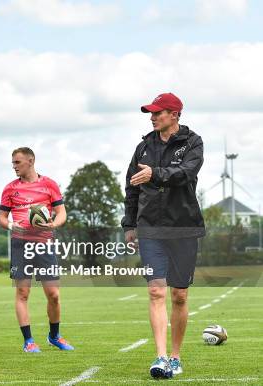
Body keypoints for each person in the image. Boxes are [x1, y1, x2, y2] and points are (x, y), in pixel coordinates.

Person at [122, 92, 205, 379]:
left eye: (158, 112)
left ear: (174, 114)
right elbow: (131, 187)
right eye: (151, 113)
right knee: (156, 290)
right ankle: (159, 357)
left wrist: (155, 174)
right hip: (150, 228)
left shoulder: (193, 142)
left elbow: (185, 173)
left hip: (183, 226)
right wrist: (129, 225)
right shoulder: (143, 146)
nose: (152, 117)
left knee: (179, 295)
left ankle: (175, 356)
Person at [0, 147, 73, 353]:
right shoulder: (9, 189)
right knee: (23, 292)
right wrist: (13, 226)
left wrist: (53, 225)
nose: (14, 166)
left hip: (44, 243)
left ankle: (54, 336)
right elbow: (2, 219)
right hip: (20, 245)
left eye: (17, 162)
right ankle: (28, 341)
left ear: (30, 161)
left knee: (54, 294)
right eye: (13, 163)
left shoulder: (49, 184)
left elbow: (61, 213)